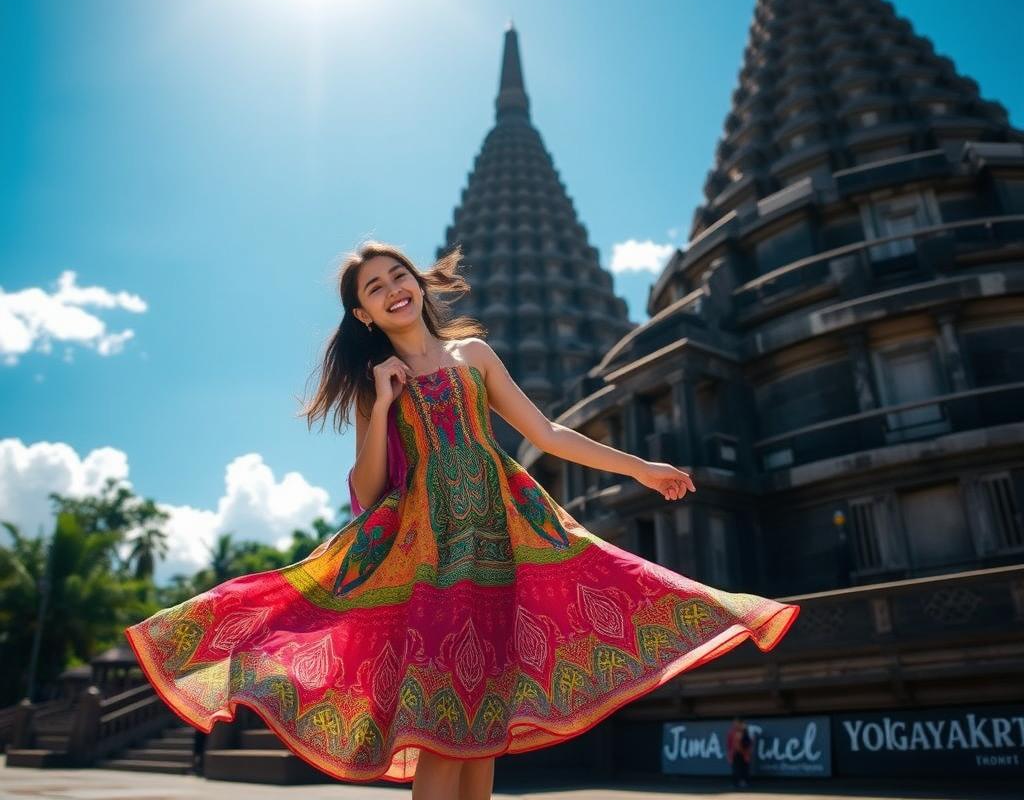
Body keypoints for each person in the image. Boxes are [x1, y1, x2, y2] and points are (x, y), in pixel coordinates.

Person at [124, 241, 799, 799]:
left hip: (501, 548)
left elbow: (546, 431)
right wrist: (384, 403)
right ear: (361, 314)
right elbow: (368, 488)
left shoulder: (472, 355)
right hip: (432, 558)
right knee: (446, 731)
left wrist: (640, 468)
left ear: (416, 284)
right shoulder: (373, 386)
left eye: (398, 276)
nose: (393, 289)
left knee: (481, 742)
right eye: (374, 288)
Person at [726, 715, 753, 789]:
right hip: (735, 753)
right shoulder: (732, 732)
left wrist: (744, 730)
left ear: (741, 723)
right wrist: (730, 754)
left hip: (744, 753)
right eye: (734, 722)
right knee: (735, 768)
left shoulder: (746, 731)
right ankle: (735, 783)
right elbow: (729, 744)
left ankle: (745, 782)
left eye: (736, 722)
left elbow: (748, 743)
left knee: (745, 768)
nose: (735, 724)